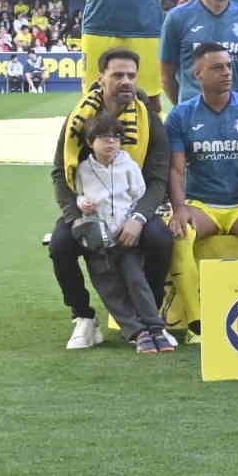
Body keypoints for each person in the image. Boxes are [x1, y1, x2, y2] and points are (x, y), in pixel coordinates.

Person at [51, 49, 173, 350]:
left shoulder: (149, 119)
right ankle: (83, 316)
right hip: (89, 209)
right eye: (117, 75)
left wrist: (139, 218)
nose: (126, 81)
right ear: (100, 78)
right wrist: (76, 217)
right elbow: (59, 173)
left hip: (134, 207)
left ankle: (151, 314)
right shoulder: (79, 119)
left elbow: (158, 179)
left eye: (131, 75)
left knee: (160, 238)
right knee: (61, 244)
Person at [164, 42, 238, 326]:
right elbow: (175, 170)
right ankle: (196, 322)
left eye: (229, 66)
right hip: (202, 206)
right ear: (197, 73)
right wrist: (179, 208)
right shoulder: (180, 115)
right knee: (178, 237)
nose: (227, 72)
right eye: (217, 67)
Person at [73, 114, 175, 353]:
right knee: (109, 287)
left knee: (136, 280)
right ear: (90, 142)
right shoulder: (84, 170)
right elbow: (77, 193)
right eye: (104, 138)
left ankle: (155, 327)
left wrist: (133, 221)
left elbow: (140, 197)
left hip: (125, 238)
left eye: (116, 138)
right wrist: (82, 203)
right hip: (98, 241)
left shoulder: (129, 166)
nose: (111, 143)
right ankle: (137, 333)